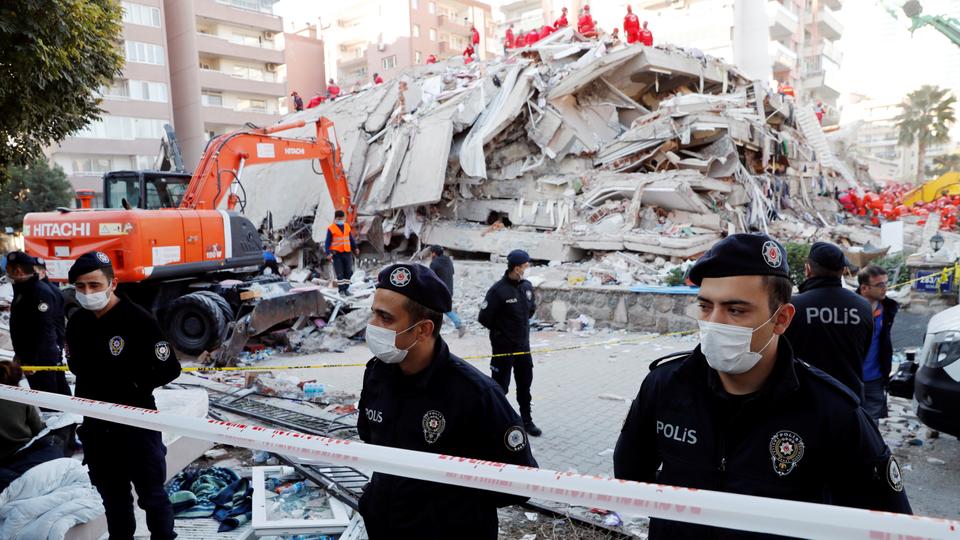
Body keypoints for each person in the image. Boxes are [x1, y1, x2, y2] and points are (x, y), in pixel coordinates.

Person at [614, 234, 911, 539]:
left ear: (781, 319)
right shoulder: (666, 386)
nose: (715, 323)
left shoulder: (833, 412)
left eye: (736, 310)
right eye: (705, 307)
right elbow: (630, 475)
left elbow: (889, 522)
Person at [357, 263, 538, 538]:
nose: (373, 326)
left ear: (423, 329)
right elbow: (371, 438)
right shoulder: (377, 374)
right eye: (374, 313)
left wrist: (451, 508)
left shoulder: (476, 394)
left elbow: (521, 480)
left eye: (386, 318)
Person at [65, 251, 181, 540]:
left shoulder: (138, 319)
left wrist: (132, 386)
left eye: (94, 285)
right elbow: (77, 366)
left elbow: (170, 369)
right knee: (114, 502)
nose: (88, 292)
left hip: (136, 424)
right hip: (97, 428)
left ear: (112, 284)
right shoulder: (78, 322)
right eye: (81, 287)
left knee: (152, 497)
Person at [784, 242, 873, 401]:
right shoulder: (863, 306)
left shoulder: (792, 307)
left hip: (803, 399)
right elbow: (863, 351)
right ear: (843, 270)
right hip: (848, 399)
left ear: (808, 269)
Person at [478, 249, 541, 436]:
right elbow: (484, 318)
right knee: (499, 389)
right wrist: (501, 334)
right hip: (503, 350)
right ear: (516, 268)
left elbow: (530, 310)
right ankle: (495, 422)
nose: (528, 269)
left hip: (523, 348)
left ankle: (526, 421)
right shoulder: (498, 291)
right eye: (525, 266)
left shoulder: (527, 287)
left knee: (524, 386)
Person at [6, 251, 70, 397]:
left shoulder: (39, 292)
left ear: (18, 270)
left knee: (48, 399)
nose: (7, 272)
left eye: (8, 268)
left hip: (41, 358)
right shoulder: (24, 290)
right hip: (31, 356)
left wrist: (31, 361)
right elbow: (23, 328)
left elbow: (44, 330)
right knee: (50, 394)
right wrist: (20, 354)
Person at [0, 360, 66, 492]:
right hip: (22, 453)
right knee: (56, 439)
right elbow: (38, 430)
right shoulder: (21, 397)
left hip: (6, 459)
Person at [858, 265, 898, 420]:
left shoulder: (888, 308)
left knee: (872, 424)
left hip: (875, 378)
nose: (885, 288)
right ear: (864, 288)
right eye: (880, 285)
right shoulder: (848, 309)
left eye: (886, 283)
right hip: (851, 377)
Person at [427, 246, 465, 338]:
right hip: (449, 289)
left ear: (434, 253)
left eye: (431, 253)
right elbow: (452, 272)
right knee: (437, 308)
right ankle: (437, 325)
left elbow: (430, 278)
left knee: (444, 309)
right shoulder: (448, 260)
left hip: (439, 290)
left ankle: (459, 325)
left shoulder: (434, 263)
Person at [324, 210, 357, 296]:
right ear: (335, 219)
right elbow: (327, 242)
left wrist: (355, 248)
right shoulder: (331, 228)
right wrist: (328, 253)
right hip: (337, 254)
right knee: (340, 273)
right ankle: (341, 290)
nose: (341, 220)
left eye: (342, 219)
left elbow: (351, 239)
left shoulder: (347, 226)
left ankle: (346, 289)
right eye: (339, 219)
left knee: (348, 272)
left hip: (347, 252)